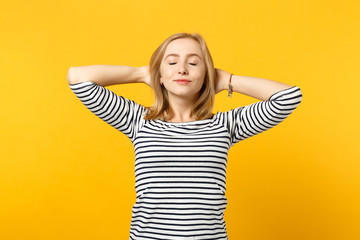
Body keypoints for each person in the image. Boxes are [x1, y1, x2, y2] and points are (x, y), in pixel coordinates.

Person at [67, 32, 302, 240]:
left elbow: (288, 97)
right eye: (171, 62)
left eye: (193, 62)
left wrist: (227, 80)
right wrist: (141, 73)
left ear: (206, 75)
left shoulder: (224, 125)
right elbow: (77, 78)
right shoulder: (138, 120)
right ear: (159, 74)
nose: (182, 69)